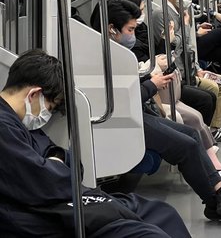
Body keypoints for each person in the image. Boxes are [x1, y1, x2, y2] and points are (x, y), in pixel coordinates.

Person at [96, 0, 221, 219]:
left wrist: (148, 79)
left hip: (136, 114)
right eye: (129, 29)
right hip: (122, 119)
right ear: (112, 29)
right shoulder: (105, 57)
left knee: (191, 133)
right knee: (185, 145)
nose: (133, 35)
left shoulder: (117, 53)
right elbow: (117, 99)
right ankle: (217, 199)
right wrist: (151, 85)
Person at [0, 49, 192, 237]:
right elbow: (44, 182)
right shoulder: (4, 127)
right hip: (32, 216)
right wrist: (53, 164)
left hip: (59, 201)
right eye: (50, 107)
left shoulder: (19, 123)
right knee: (146, 233)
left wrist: (53, 161)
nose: (47, 115)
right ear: (34, 94)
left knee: (160, 212)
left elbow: (71, 164)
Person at [113, 0, 221, 143]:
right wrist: (176, 35)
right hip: (169, 78)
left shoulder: (147, 27)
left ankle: (212, 132)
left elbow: (184, 46)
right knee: (208, 95)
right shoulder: (160, 16)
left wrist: (195, 67)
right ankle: (206, 138)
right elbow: (172, 48)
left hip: (179, 71)